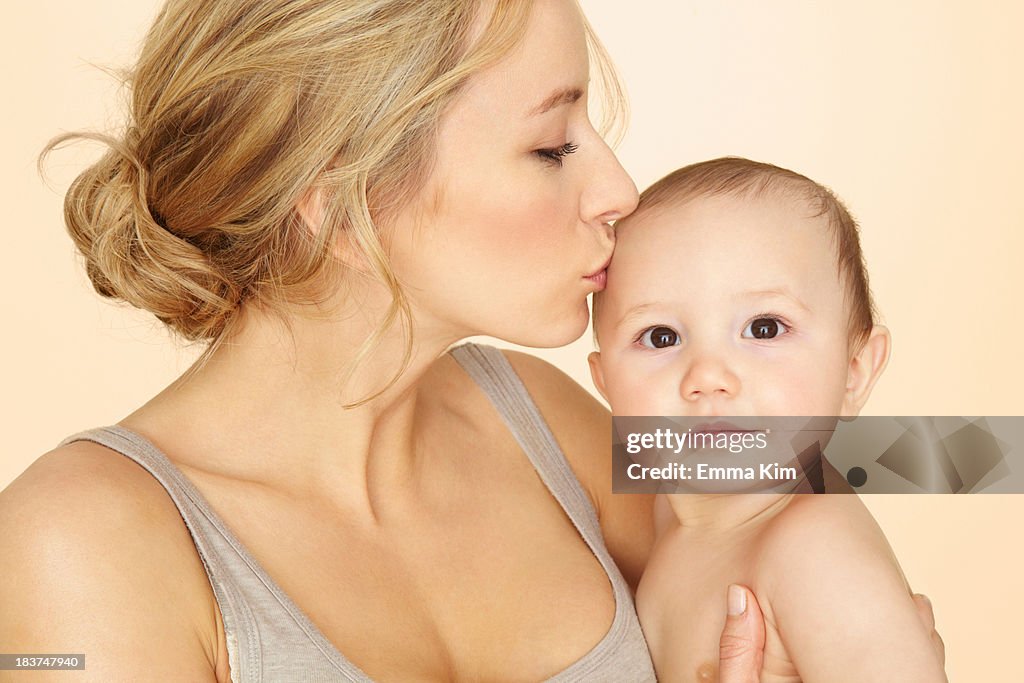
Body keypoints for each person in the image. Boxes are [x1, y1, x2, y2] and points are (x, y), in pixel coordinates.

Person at [0, 1, 940, 680]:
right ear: (338, 197)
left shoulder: (540, 418)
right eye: (552, 146)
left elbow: (817, 457)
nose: (618, 191)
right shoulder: (75, 543)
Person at [588, 157, 948, 681]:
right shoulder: (668, 515)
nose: (708, 375)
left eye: (763, 328)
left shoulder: (814, 550)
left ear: (854, 371)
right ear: (606, 384)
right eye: (661, 337)